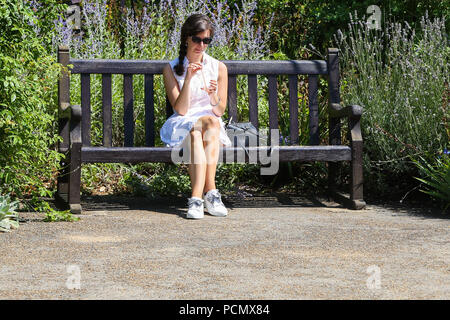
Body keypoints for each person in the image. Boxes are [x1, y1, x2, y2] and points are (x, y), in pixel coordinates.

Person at [160, 13, 232, 219]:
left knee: (207, 123)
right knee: (198, 128)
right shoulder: (171, 68)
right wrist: (189, 79)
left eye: (206, 40)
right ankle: (212, 194)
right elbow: (181, 110)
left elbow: (219, 111)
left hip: (209, 127)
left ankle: (196, 200)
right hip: (181, 123)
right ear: (186, 38)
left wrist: (212, 95)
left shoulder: (218, 68)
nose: (201, 45)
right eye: (197, 39)